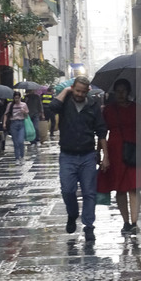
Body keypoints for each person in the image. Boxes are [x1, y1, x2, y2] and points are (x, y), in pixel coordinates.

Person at [50, 76, 108, 242]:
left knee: (90, 193)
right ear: (72, 88)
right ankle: (72, 214)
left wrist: (105, 156)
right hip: (67, 155)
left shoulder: (92, 105)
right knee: (67, 190)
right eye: (77, 90)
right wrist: (65, 92)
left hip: (87, 155)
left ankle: (89, 226)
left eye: (83, 92)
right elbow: (51, 108)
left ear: (87, 91)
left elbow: (101, 130)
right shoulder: (65, 102)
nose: (79, 94)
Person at [97, 79, 141, 234]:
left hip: (135, 150)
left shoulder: (139, 108)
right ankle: (126, 222)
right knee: (120, 189)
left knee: (134, 187)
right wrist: (101, 154)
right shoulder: (108, 110)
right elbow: (102, 133)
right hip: (115, 151)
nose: (120, 94)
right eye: (118, 91)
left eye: (123, 90)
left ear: (129, 92)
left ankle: (134, 221)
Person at [3, 91, 29, 165]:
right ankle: (17, 158)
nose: (16, 99)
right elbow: (6, 114)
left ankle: (22, 156)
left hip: (21, 123)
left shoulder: (24, 105)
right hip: (13, 124)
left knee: (21, 141)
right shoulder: (10, 105)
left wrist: (24, 112)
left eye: (18, 98)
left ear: (20, 98)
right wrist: (4, 123)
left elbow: (27, 116)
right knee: (15, 142)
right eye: (15, 98)